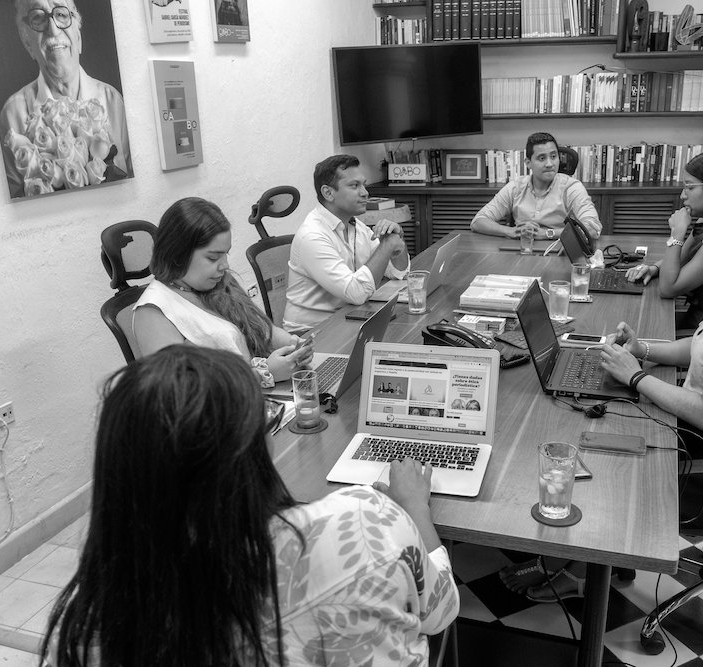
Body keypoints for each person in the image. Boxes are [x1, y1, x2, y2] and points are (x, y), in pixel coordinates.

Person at [502, 180, 703, 600]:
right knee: (594, 421)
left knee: (600, 460)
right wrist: (643, 349)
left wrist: (636, 376)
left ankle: (579, 574)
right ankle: (594, 561)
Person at [40, 345, 458, 665]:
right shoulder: (364, 519)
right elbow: (441, 612)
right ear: (256, 444)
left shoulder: (92, 621)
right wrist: (412, 508)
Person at [133, 197, 313, 385]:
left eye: (225, 254)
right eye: (212, 258)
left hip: (253, 396)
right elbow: (179, 390)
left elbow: (261, 329)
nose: (224, 265)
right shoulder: (152, 312)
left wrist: (294, 345)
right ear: (177, 254)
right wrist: (264, 373)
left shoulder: (216, 281)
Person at [0, 0, 132, 198]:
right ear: (27, 42)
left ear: (78, 37)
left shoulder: (112, 100)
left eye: (62, 15)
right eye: (38, 18)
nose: (53, 29)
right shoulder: (13, 113)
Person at [625, 148, 703, 329]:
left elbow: (669, 288)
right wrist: (654, 268)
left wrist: (677, 233)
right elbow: (680, 259)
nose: (682, 195)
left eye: (689, 187)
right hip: (697, 323)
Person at [285, 155, 410, 326]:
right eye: (354, 186)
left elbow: (398, 273)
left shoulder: (355, 224)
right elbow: (356, 293)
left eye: (364, 184)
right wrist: (385, 247)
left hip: (349, 317)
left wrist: (396, 240)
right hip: (311, 333)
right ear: (328, 193)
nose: (365, 192)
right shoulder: (313, 236)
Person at [470, 132, 602, 242]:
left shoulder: (571, 187)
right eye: (542, 158)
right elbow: (478, 221)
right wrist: (511, 231)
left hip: (559, 250)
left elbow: (592, 228)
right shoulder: (515, 188)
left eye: (553, 156)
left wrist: (547, 234)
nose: (550, 164)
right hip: (522, 250)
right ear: (528, 163)